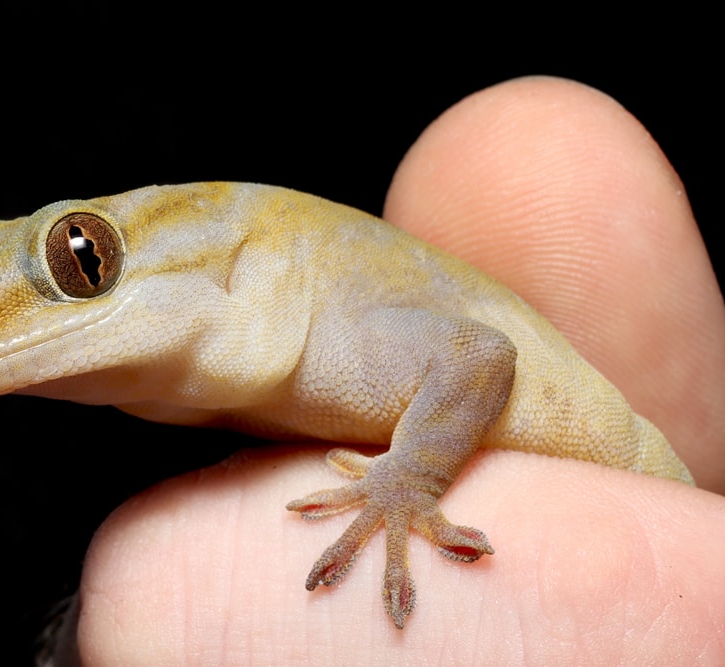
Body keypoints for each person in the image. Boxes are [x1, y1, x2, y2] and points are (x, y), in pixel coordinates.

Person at [66, 77, 725, 665]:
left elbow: (478, 357)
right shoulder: (271, 353)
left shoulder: (314, 309)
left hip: (657, 491)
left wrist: (409, 478)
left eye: (82, 260)